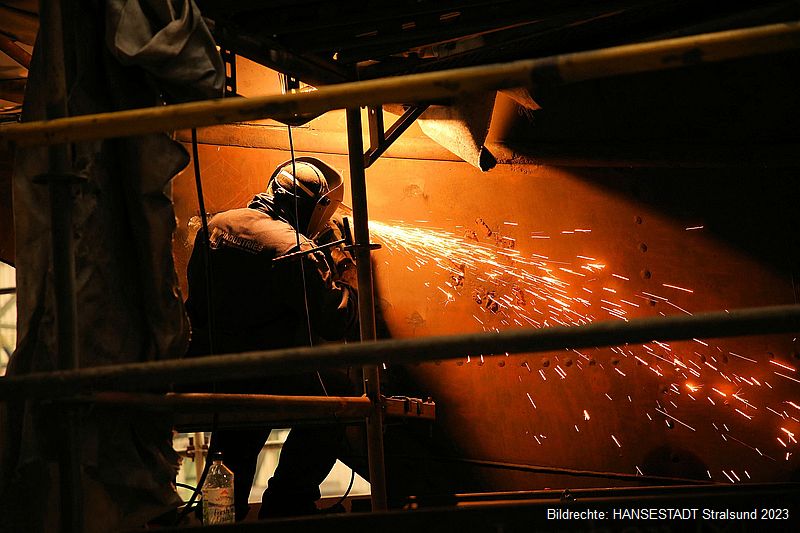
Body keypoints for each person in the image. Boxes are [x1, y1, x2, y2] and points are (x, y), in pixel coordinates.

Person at [184, 156, 359, 520]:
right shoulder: (293, 247)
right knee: (336, 407)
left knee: (232, 456)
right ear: (314, 207)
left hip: (213, 371)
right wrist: (343, 271)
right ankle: (287, 503)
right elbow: (333, 319)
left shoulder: (214, 227)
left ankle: (215, 520)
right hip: (268, 373)